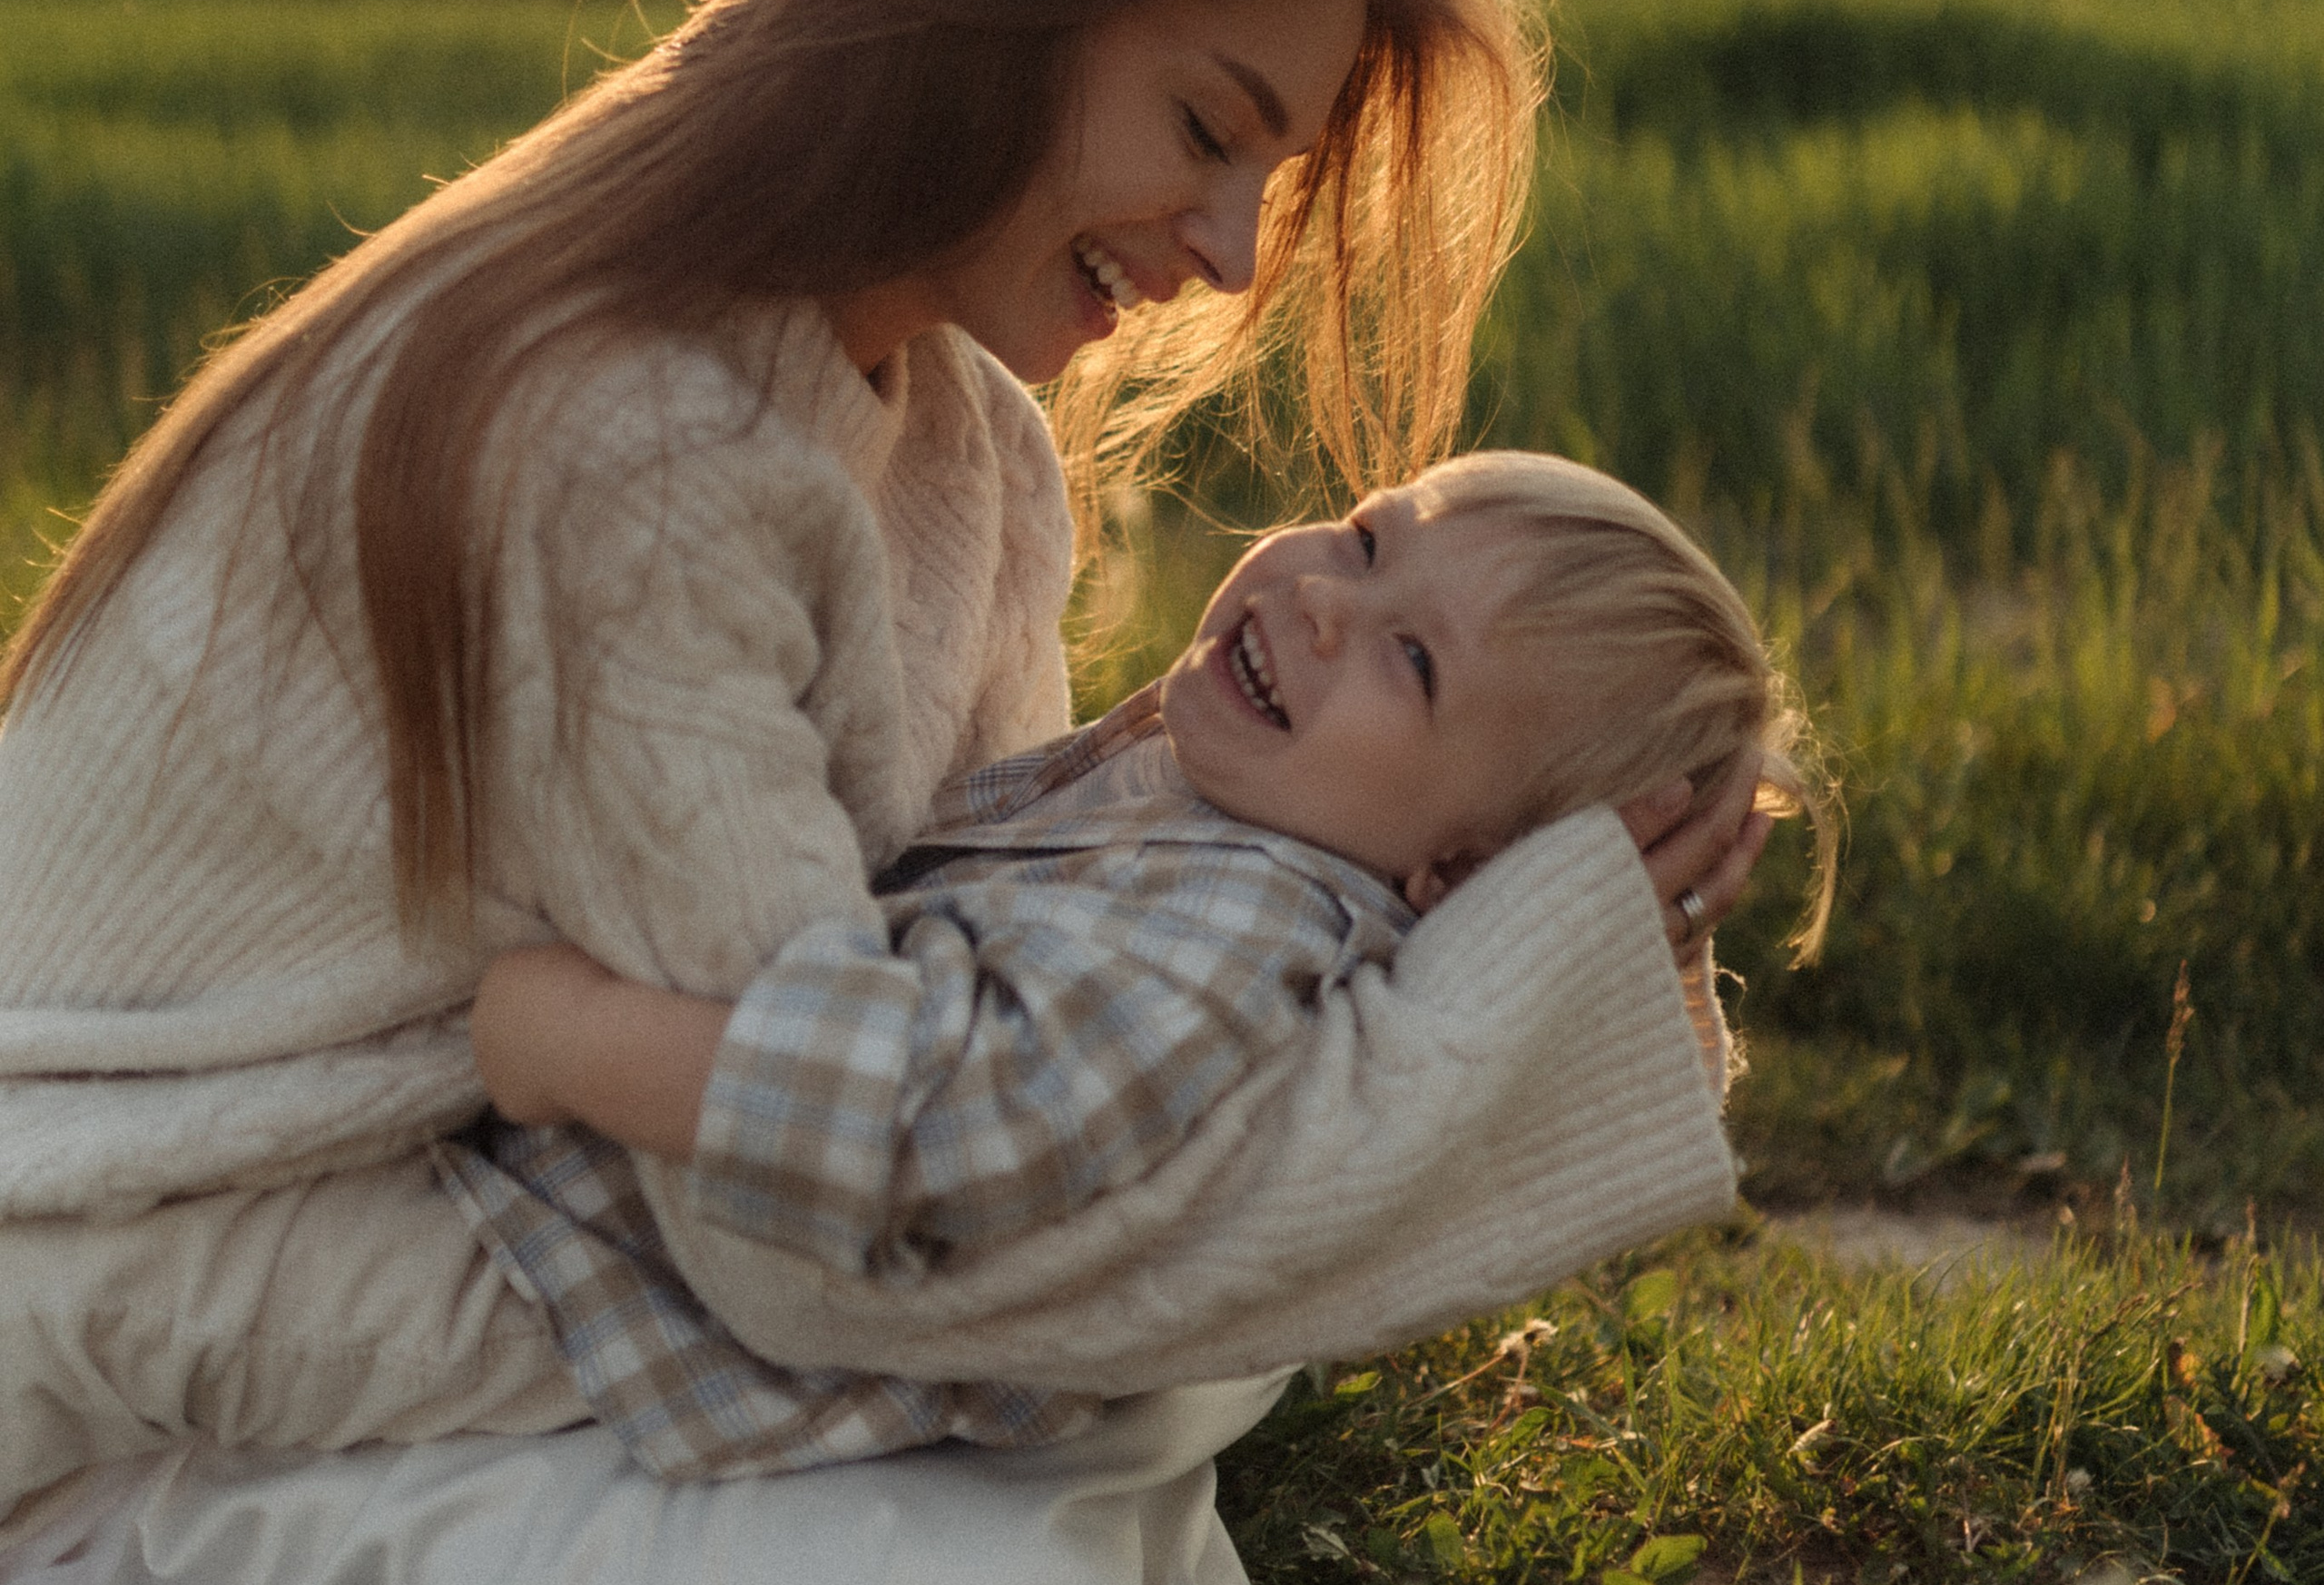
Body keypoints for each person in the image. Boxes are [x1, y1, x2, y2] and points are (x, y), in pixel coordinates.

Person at [0, 0, 1767, 1519]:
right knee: (1033, 1452)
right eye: (1199, 127)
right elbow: (814, 1243)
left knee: (1078, 1397)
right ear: (995, 10)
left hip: (469, 1152)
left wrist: (1526, 893)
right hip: (143, 1182)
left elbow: (984, 1016)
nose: (1236, 254)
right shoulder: (638, 459)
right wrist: (1478, 1037)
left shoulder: (953, 444)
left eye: (1270, 171)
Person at [450, 450, 1834, 1478]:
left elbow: (954, 1122)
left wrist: (573, 1042)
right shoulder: (1218, 804)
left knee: (248, 1326)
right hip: (585, 1219)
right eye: (1366, 537)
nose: (1321, 603)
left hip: (582, 1291)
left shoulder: (1245, 929)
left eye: (1412, 660)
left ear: (1466, 876)